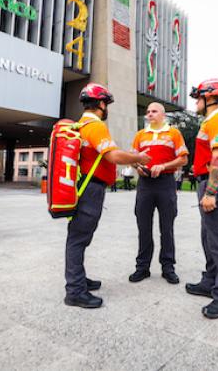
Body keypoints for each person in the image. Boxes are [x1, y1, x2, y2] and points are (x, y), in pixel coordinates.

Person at [64, 83, 150, 309]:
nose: (107, 107)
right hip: (90, 189)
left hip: (82, 186)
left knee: (79, 237)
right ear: (101, 104)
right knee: (78, 238)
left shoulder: (79, 125)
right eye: (106, 103)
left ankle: (78, 279)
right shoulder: (95, 126)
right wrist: (138, 158)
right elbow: (112, 156)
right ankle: (74, 290)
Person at [185, 79, 218, 319]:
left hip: (212, 183)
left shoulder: (217, 120)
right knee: (208, 237)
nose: (195, 101)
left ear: (210, 98)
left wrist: (211, 192)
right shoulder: (210, 121)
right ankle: (210, 281)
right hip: (206, 181)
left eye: (198, 97)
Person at [129, 102, 189, 285]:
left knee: (167, 228)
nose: (149, 114)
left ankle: (168, 267)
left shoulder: (174, 133)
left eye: (154, 111)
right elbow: (132, 158)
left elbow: (184, 159)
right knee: (143, 227)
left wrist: (163, 166)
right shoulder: (140, 134)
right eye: (148, 111)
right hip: (145, 184)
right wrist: (137, 166)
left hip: (166, 183)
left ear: (163, 115)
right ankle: (142, 267)